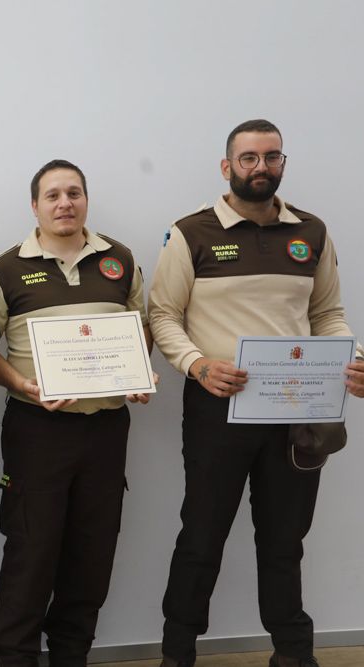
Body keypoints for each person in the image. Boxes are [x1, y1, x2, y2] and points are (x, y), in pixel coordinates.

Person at [149, 119, 364, 667]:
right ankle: (178, 653)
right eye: (248, 158)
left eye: (271, 157)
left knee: (284, 540)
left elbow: (328, 314)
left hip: (298, 410)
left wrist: (350, 359)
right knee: (202, 535)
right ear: (228, 167)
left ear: (283, 163)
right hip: (216, 407)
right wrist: (198, 365)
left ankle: (293, 653)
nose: (259, 167)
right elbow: (164, 316)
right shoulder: (190, 232)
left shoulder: (312, 231)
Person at [0, 159, 153, 667]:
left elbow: (140, 327)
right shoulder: (5, 269)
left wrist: (137, 373)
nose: (65, 203)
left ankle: (70, 656)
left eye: (74, 193)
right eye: (52, 195)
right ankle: (15, 658)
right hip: (37, 430)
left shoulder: (119, 259)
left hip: (105, 431)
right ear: (34, 206)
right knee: (30, 555)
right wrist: (21, 384)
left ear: (85, 200)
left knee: (91, 554)